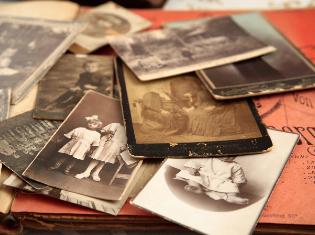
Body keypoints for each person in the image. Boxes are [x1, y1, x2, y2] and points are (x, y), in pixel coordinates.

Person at [175, 158, 249, 205]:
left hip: (220, 181)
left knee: (232, 186)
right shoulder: (210, 157)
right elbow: (194, 161)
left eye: (231, 156)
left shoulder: (235, 166)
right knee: (192, 176)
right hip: (204, 176)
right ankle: (196, 187)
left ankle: (231, 197)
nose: (227, 157)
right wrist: (192, 168)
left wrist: (238, 184)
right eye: (225, 154)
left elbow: (239, 178)